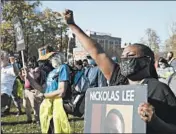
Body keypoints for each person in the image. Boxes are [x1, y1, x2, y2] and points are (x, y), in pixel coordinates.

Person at [61, 9, 176, 134]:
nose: (125, 58)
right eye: (123, 56)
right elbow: (96, 52)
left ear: (146, 61)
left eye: (130, 55)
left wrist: (155, 121)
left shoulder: (159, 89)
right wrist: (72, 25)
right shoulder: (118, 77)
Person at [24, 52, 71, 133]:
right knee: (49, 128)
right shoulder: (51, 72)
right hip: (48, 104)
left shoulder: (63, 67)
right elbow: (42, 89)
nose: (49, 61)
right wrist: (28, 77)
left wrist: (44, 96)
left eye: (50, 59)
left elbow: (61, 91)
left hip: (58, 105)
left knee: (57, 129)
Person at [1, 50, 19, 116]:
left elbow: (16, 73)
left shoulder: (10, 68)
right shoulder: (1, 67)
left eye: (2, 58)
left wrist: (13, 63)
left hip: (4, 94)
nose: (1, 59)